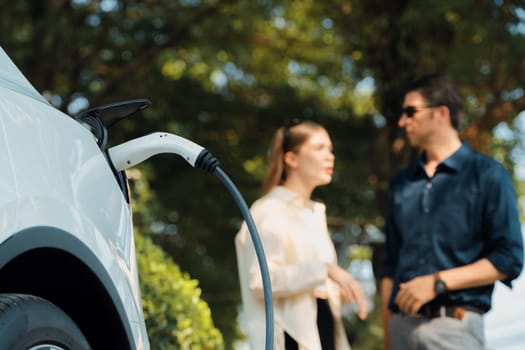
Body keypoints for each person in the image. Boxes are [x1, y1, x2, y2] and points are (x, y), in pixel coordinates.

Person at [379, 74, 524, 350]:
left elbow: (509, 258)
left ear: (441, 113)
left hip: (454, 328)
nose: (402, 122)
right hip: (399, 329)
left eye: (411, 112)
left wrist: (437, 282)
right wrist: (388, 337)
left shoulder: (488, 175)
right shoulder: (401, 183)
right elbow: (390, 265)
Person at [235, 119, 368, 350]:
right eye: (319, 148)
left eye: (330, 149)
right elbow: (260, 281)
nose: (330, 156)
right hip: (288, 340)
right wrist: (326, 270)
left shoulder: (314, 213)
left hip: (321, 335)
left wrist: (339, 290)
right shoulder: (270, 209)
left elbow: (311, 286)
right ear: (291, 158)